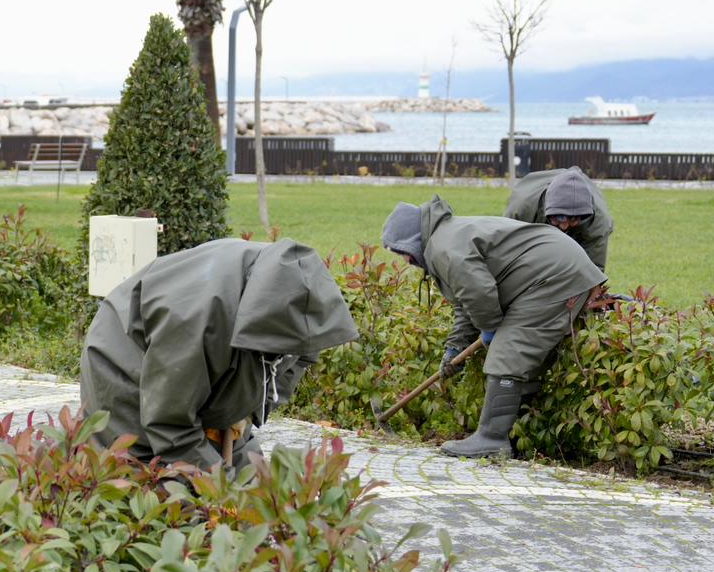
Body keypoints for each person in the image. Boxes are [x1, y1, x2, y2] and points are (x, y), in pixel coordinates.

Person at [80, 238, 359, 473]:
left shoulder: (301, 301)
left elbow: (297, 360)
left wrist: (246, 409)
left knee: (249, 473)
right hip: (125, 360)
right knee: (147, 468)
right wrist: (221, 487)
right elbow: (168, 425)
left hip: (215, 341)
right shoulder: (194, 322)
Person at [382, 197, 605, 458]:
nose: (406, 260)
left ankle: (491, 439)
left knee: (508, 352)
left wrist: (489, 328)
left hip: (553, 275)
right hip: (550, 270)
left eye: (402, 252)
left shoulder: (444, 249)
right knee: (516, 354)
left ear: (413, 240)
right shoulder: (445, 240)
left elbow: (478, 292)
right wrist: (455, 348)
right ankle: (515, 434)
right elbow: (464, 301)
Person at [503, 166, 613, 270]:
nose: (564, 226)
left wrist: (592, 285)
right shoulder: (521, 209)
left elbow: (594, 267)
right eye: (559, 218)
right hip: (534, 199)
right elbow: (508, 251)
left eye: (573, 219)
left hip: (583, 225)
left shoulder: (598, 221)